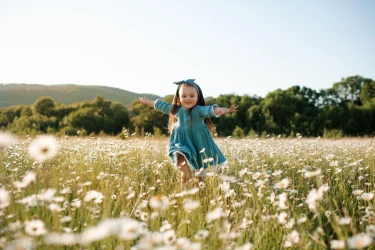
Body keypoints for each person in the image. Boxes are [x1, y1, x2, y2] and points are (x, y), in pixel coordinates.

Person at [138, 79, 238, 188]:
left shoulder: (199, 110)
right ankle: (185, 196)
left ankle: (199, 196)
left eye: (191, 96)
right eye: (184, 96)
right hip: (180, 144)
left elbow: (211, 110)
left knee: (199, 175)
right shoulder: (176, 110)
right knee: (184, 172)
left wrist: (226, 110)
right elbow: (161, 105)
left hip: (198, 145)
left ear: (197, 97)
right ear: (178, 98)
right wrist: (147, 102)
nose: (188, 99)